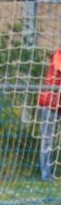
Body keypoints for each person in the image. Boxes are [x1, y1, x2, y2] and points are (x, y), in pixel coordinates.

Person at [37, 48, 61, 181]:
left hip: (58, 105)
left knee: (52, 141)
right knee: (48, 140)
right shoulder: (59, 54)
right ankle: (46, 175)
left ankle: (49, 174)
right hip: (49, 104)